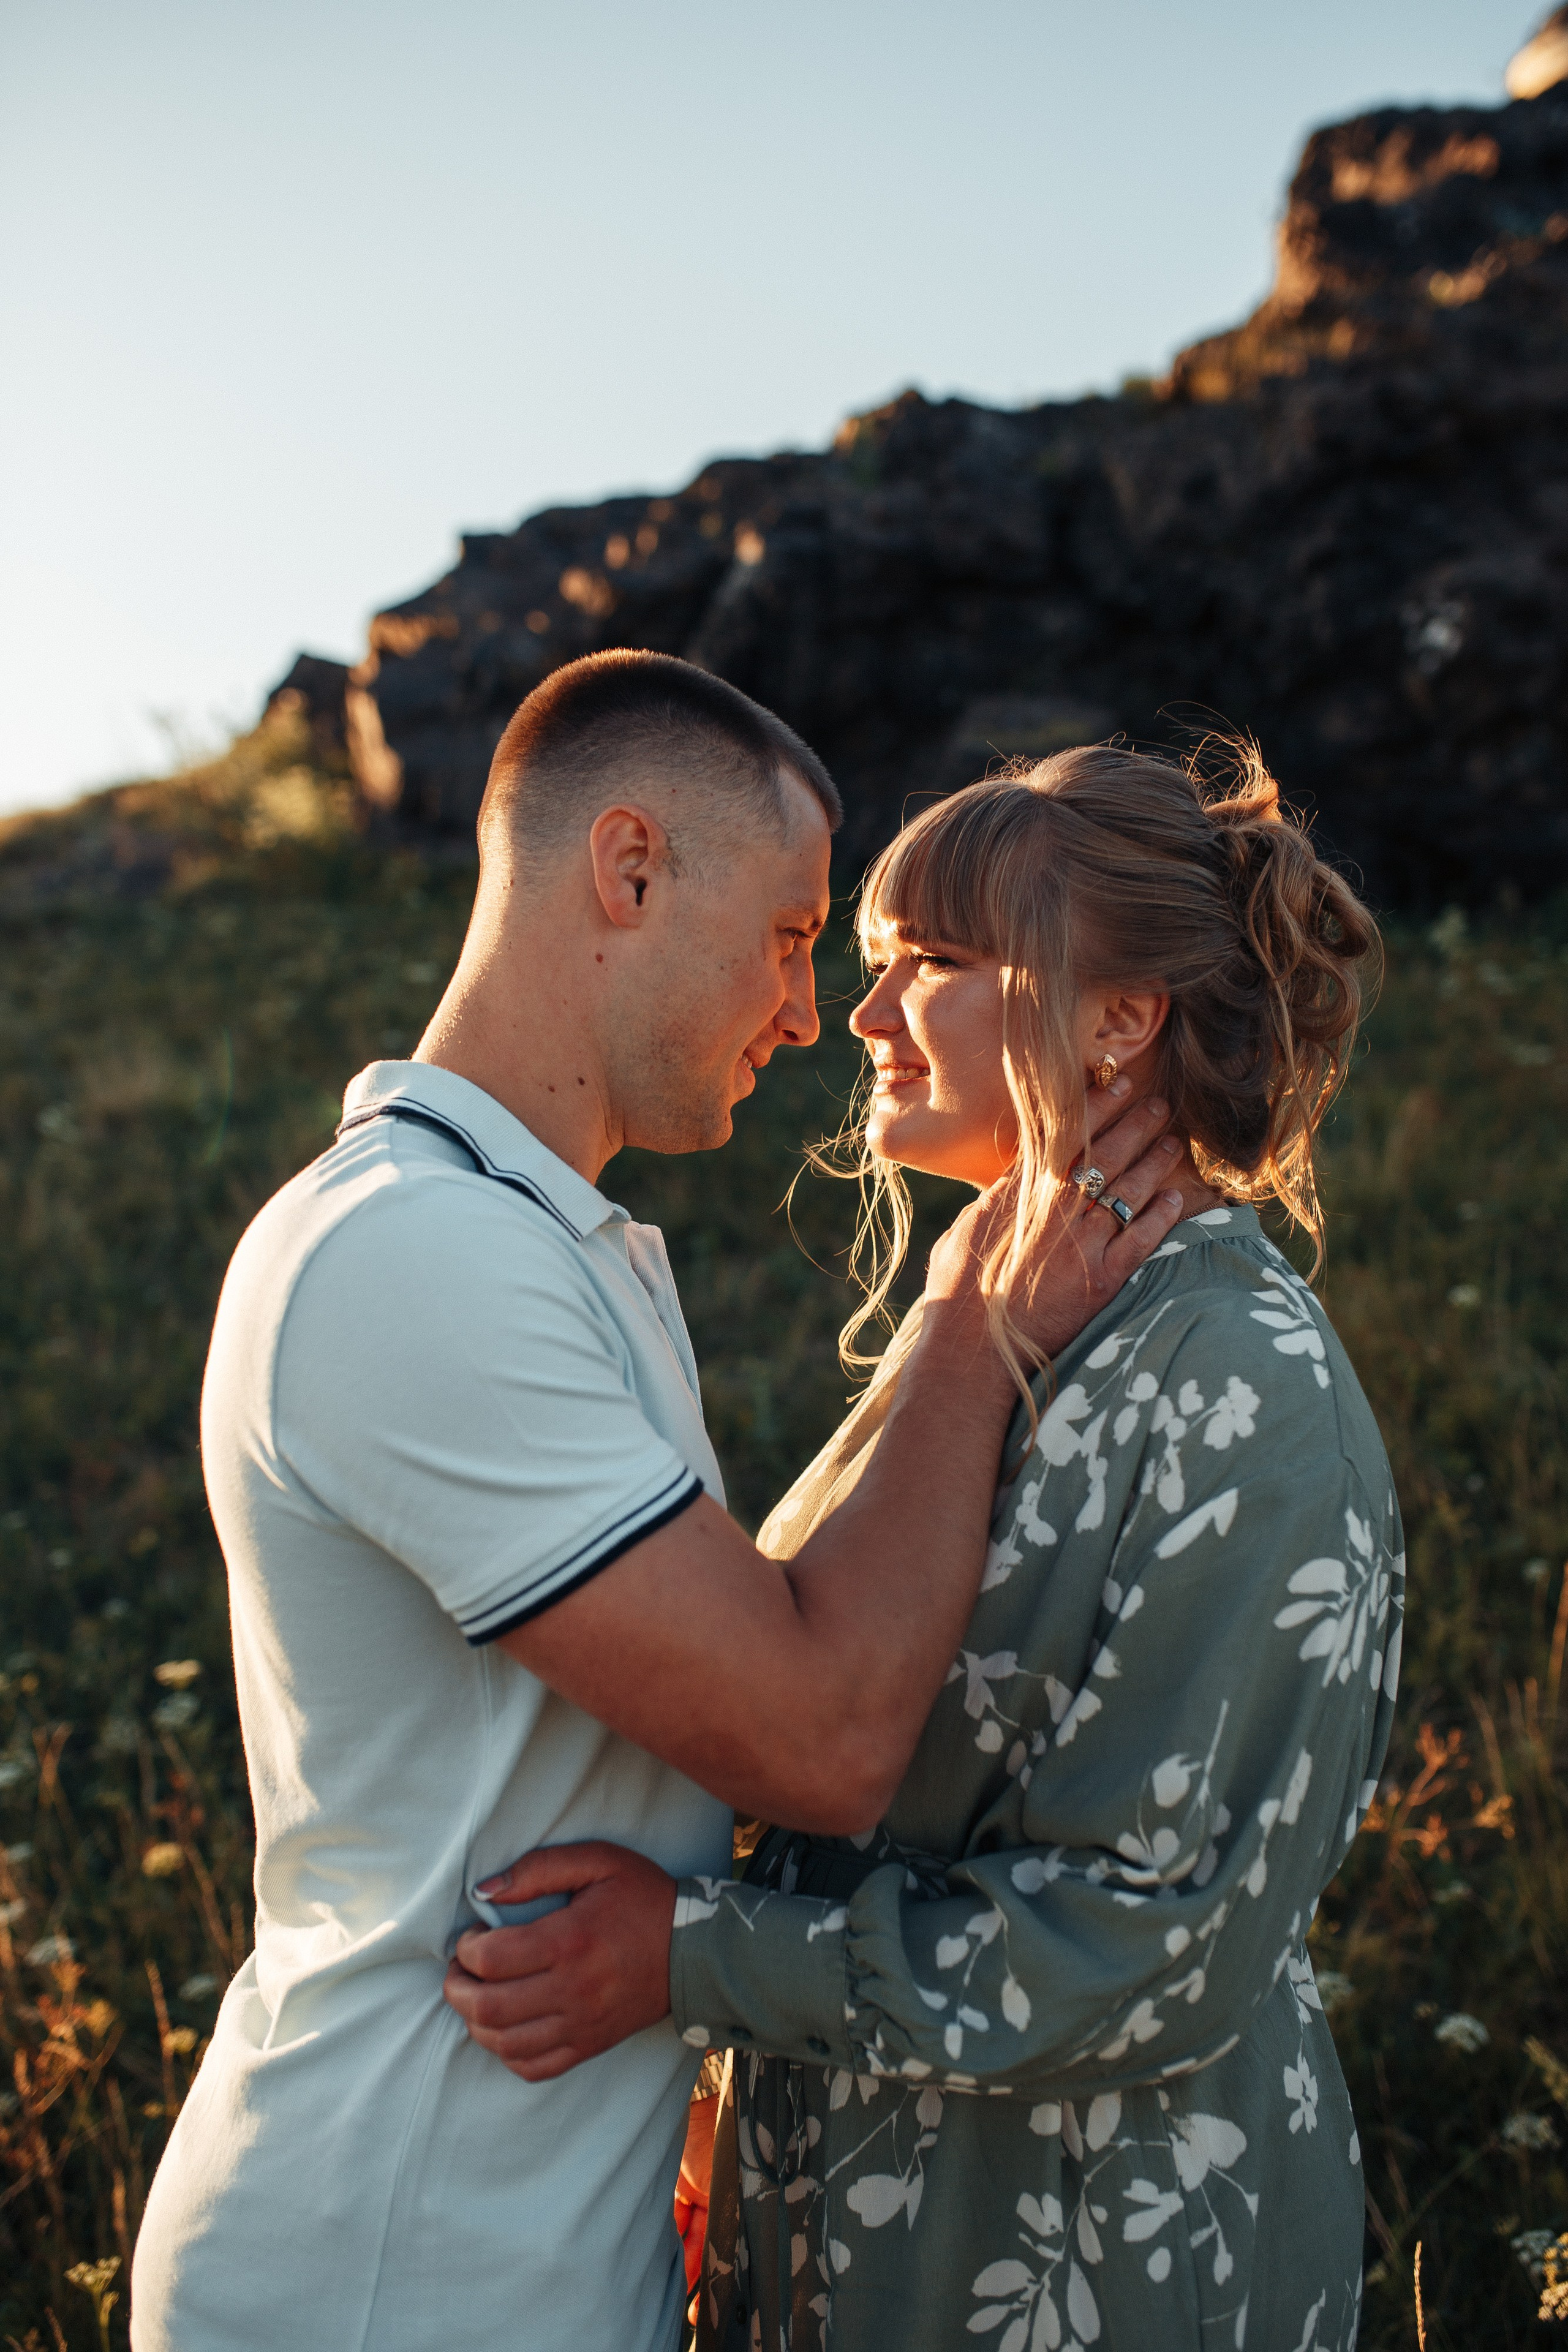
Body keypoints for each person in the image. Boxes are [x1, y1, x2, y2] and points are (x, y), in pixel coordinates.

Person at [130, 654, 1183, 2352]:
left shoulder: (538, 1245)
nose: (801, 1011)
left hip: (533, 2242)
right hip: (392, 2261)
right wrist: (972, 1320)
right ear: (627, 870)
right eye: (785, 937)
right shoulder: (416, 1256)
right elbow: (819, 1732)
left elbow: (613, 1754)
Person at [446, 742, 1400, 2352]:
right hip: (848, 2227)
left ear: (1120, 1015)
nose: (860, 1019)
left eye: (932, 965)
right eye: (870, 963)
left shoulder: (1244, 1380)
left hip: (1090, 2261)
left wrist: (694, 1960)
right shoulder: (989, 1319)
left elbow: (1151, 1942)